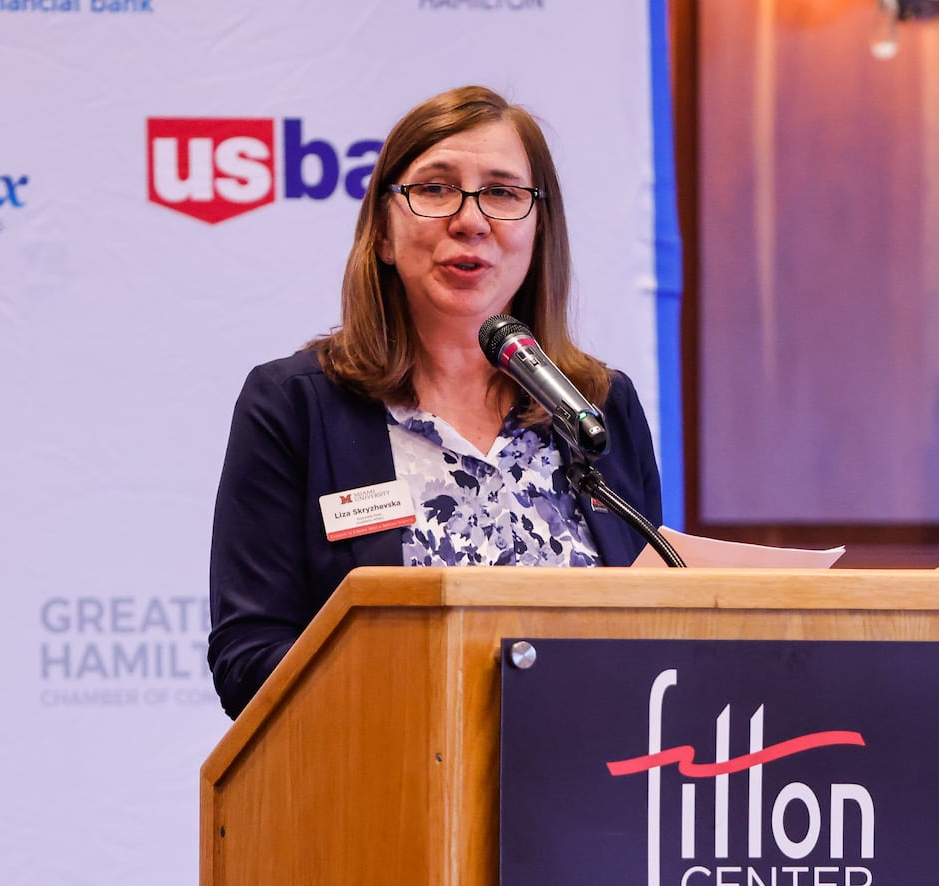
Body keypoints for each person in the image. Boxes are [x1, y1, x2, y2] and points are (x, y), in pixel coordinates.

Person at [207, 84, 664, 719]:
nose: (471, 219)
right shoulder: (294, 407)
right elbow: (248, 656)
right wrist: (418, 702)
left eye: (503, 193)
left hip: (590, 795)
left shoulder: (598, 407)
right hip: (387, 789)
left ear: (539, 233)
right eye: (435, 188)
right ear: (385, 235)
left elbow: (659, 626)